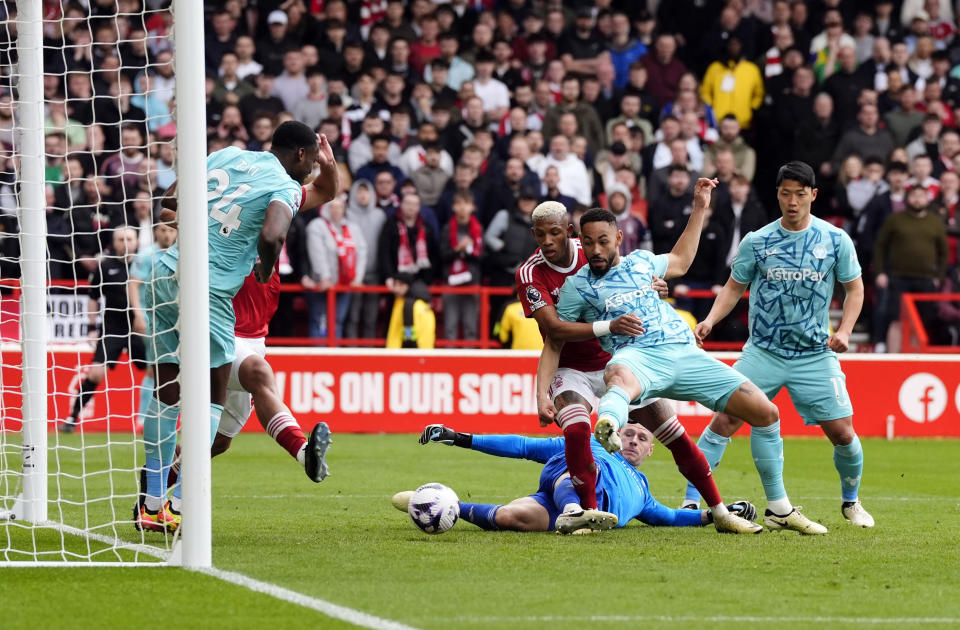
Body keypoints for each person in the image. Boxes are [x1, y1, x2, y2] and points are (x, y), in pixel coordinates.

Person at [554, 192, 827, 534]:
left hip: (685, 353)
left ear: (619, 239)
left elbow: (681, 261)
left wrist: (699, 207)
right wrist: (601, 330)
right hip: (638, 356)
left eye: (603, 241)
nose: (595, 250)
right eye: (589, 242)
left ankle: (779, 509)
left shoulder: (641, 262)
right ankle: (609, 422)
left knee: (765, 412)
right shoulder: (576, 287)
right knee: (619, 376)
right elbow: (557, 334)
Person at [518, 201, 760, 535]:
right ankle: (589, 512)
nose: (548, 241)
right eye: (541, 234)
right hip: (574, 369)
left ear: (571, 233)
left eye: (555, 233)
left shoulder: (596, 246)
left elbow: (664, 269)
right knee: (575, 430)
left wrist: (655, 287)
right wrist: (541, 393)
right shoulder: (534, 274)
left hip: (624, 361)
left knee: (675, 436)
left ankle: (719, 510)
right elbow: (555, 334)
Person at [140, 122, 337, 532]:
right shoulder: (281, 187)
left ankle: (152, 498)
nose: (313, 172)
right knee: (213, 396)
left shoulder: (227, 155)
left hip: (164, 273)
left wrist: (208, 223)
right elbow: (271, 234)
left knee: (167, 391)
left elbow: (169, 201)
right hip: (208, 292)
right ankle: (176, 505)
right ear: (300, 156)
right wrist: (264, 266)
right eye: (313, 163)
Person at [688, 161, 873, 528]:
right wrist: (710, 320)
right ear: (777, 194)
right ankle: (692, 502)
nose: (792, 202)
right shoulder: (757, 241)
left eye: (800, 195)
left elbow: (855, 288)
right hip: (763, 352)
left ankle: (851, 502)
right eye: (785, 193)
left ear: (813, 196)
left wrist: (847, 331)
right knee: (725, 419)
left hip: (815, 354)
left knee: (843, 433)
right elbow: (734, 287)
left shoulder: (835, 239)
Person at [392, 422, 758, 534]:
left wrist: (719, 512)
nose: (632, 439)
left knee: (510, 518)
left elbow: (670, 517)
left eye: (642, 438)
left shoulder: (643, 492)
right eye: (628, 432)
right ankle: (575, 511)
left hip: (558, 508)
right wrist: (460, 438)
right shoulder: (585, 444)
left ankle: (450, 506)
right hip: (562, 488)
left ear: (650, 451)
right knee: (581, 467)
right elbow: (520, 445)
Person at [62, 226, 145, 432]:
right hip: (113, 327)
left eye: (129, 238)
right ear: (114, 243)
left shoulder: (145, 264)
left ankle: (172, 419)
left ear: (136, 241)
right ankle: (72, 418)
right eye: (120, 239)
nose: (125, 243)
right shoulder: (105, 266)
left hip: (141, 326)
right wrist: (91, 326)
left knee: (158, 372)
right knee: (96, 373)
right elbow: (93, 298)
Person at [385, 272, 436, 349]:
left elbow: (409, 335)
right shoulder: (419, 303)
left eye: (400, 285)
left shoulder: (410, 305)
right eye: (395, 284)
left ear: (407, 286)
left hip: (413, 354)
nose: (396, 288)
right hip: (421, 353)